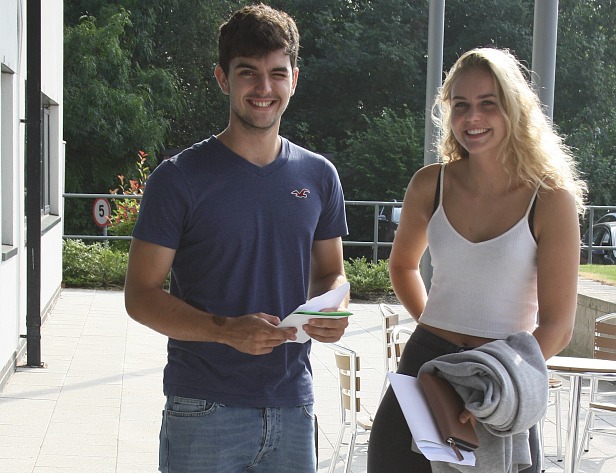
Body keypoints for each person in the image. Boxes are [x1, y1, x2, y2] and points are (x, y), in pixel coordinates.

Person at [123, 4, 349, 472]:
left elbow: (331, 272)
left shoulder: (320, 175)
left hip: (293, 404)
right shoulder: (179, 178)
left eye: (276, 73)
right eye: (248, 73)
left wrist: (332, 309)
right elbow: (140, 297)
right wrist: (225, 331)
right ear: (223, 78)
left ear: (294, 79)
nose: (264, 88)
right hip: (203, 407)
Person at [367, 47, 587, 472]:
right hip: (425, 368)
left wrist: (499, 381)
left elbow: (558, 327)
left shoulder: (551, 198)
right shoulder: (429, 184)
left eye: (489, 103)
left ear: (515, 109)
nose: (472, 118)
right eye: (461, 105)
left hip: (502, 376)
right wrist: (431, 324)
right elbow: (402, 265)